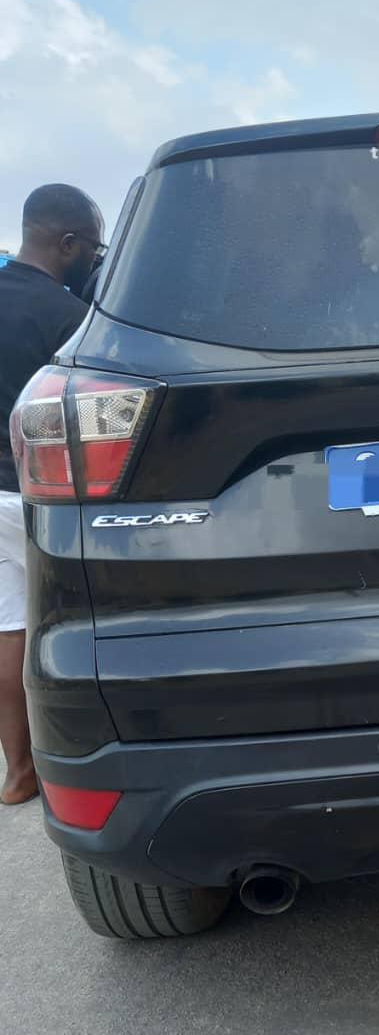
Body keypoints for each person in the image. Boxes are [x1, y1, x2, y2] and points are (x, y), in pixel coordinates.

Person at [0, 184, 105, 805]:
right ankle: (81, 764)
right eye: (92, 246)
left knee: (10, 627)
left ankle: (18, 773)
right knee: (73, 626)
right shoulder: (69, 319)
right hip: (39, 499)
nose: (93, 258)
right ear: (67, 243)